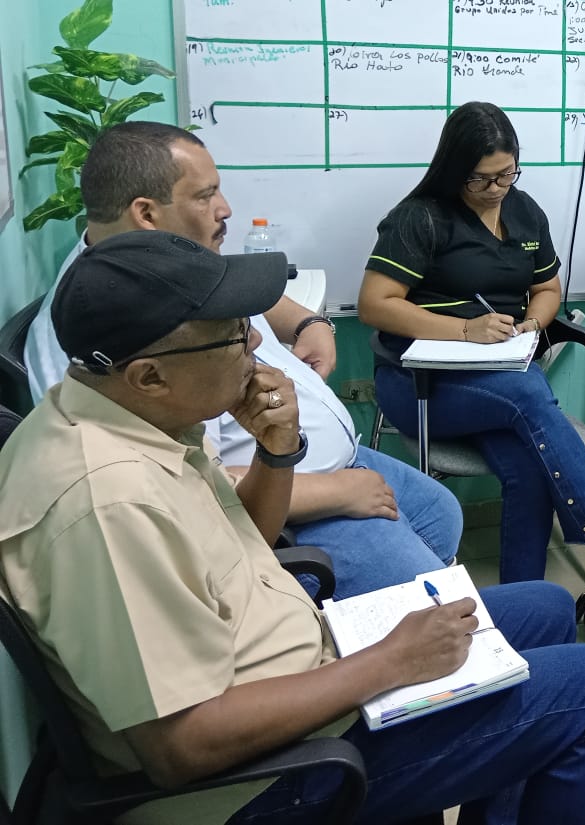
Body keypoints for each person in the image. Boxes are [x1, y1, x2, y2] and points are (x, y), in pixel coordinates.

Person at [0, 231, 585, 825]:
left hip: (292, 663)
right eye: (231, 335)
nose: (254, 341)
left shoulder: (132, 415)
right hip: (262, 776)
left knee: (548, 607)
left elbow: (240, 541)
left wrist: (277, 452)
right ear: (150, 375)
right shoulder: (109, 505)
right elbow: (183, 747)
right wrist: (389, 661)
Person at [24, 121, 460, 598]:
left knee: (442, 515)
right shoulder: (98, 334)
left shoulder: (170, 258)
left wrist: (309, 323)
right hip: (293, 503)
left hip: (322, 461)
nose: (225, 208)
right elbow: (188, 485)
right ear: (146, 213)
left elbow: (253, 296)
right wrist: (336, 490)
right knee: (432, 599)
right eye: (205, 195)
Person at [359, 101, 585, 584]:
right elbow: (374, 304)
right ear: (454, 170)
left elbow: (548, 289)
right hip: (420, 386)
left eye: (506, 174)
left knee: (531, 464)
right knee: (530, 393)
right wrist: (464, 330)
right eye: (480, 179)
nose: (496, 189)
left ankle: (525, 598)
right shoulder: (419, 217)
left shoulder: (525, 210)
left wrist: (533, 323)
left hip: (498, 383)